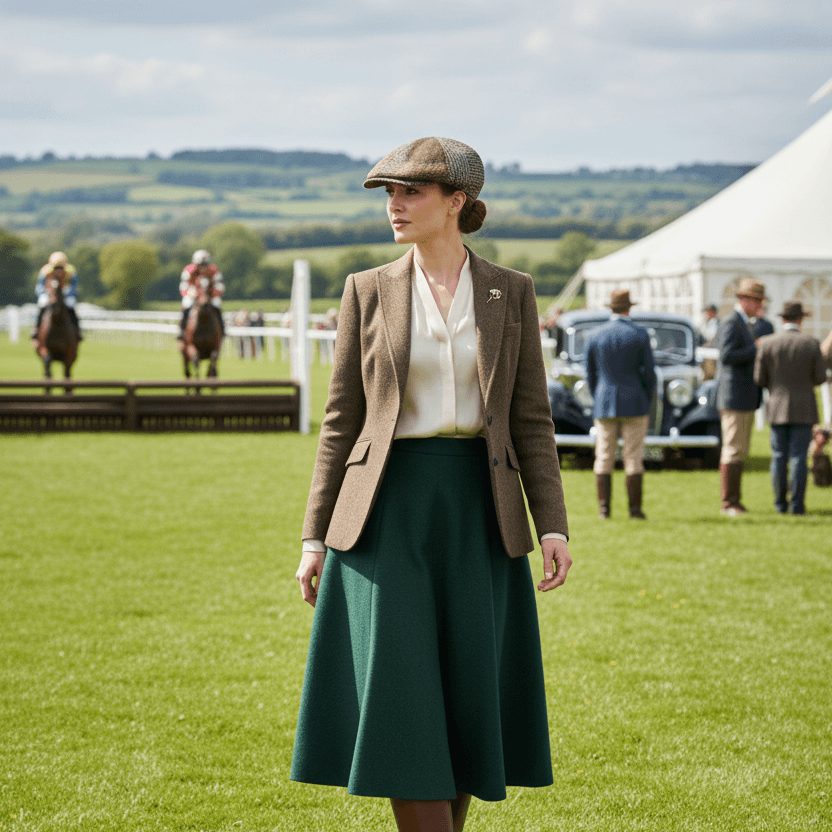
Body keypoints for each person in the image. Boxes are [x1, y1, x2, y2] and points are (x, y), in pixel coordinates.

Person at [290, 137, 572, 832]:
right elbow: (339, 423)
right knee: (401, 699)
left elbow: (531, 419)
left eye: (410, 192)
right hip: (384, 514)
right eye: (389, 193)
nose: (395, 205)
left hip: (483, 513)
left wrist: (555, 524)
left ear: (458, 203)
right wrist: (313, 537)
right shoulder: (367, 290)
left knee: (467, 700)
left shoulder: (514, 290)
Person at [585, 289, 655, 520]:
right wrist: (647, 396)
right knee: (633, 456)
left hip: (605, 400)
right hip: (634, 400)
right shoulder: (640, 334)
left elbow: (591, 375)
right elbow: (649, 373)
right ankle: (634, 510)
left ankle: (604, 510)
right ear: (628, 308)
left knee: (604, 455)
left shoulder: (595, 335)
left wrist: (599, 395)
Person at [754, 302, 827, 514]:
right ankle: (797, 505)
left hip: (776, 406)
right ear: (800, 319)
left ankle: (779, 504)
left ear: (783, 319)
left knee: (778, 456)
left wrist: (776, 387)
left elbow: (759, 378)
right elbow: (820, 377)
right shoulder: (812, 343)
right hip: (804, 407)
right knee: (798, 457)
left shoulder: (767, 343)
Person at [715, 277, 766, 515]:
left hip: (743, 396)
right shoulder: (731, 322)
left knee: (740, 449)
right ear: (744, 300)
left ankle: (734, 499)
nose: (760, 306)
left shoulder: (745, 322)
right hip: (733, 396)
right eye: (756, 301)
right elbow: (726, 355)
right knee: (733, 449)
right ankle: (729, 502)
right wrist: (755, 348)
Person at [31, 251, 82, 341]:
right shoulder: (45, 271)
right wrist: (46, 293)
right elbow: (39, 287)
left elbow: (75, 287)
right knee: (42, 303)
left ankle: (77, 331)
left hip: (66, 295)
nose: (59, 270)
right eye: (56, 267)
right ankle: (36, 328)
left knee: (71, 305)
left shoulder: (71, 271)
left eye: (60, 267)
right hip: (48, 294)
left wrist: (66, 293)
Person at [178, 250, 225, 341]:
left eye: (204, 265)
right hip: (193, 294)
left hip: (209, 295)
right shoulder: (189, 270)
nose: (202, 268)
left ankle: (222, 330)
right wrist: (191, 293)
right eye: (200, 265)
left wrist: (211, 295)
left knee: (217, 304)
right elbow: (183, 287)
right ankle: (182, 330)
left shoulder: (213, 270)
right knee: (186, 304)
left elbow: (220, 286)